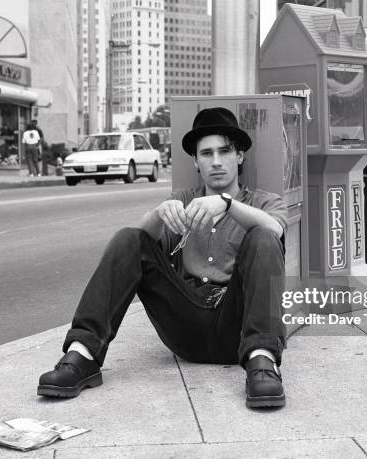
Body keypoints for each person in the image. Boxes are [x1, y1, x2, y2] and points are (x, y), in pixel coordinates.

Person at [38, 107, 288, 408]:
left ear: (240, 156)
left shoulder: (263, 202)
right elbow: (136, 242)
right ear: (195, 161)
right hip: (185, 324)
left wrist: (227, 204)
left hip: (238, 327)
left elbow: (275, 229)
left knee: (263, 235)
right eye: (206, 154)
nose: (217, 161)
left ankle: (263, 363)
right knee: (130, 237)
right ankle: (82, 355)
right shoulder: (182, 201)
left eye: (225, 151)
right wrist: (158, 214)